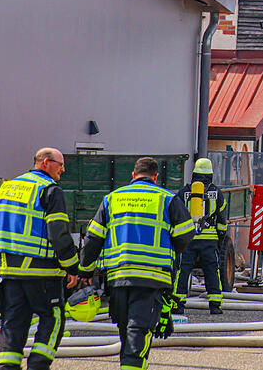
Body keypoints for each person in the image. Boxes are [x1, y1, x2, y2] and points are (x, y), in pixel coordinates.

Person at [0, 148, 89, 370]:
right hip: (42, 273)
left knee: (13, 322)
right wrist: (73, 267)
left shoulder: (7, 188)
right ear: (46, 162)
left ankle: (7, 367)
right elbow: (58, 233)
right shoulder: (50, 190)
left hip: (10, 273)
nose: (63, 169)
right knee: (53, 318)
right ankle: (38, 365)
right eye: (60, 164)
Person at [80, 157, 194, 370]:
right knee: (138, 331)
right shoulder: (167, 199)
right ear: (155, 177)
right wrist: (169, 250)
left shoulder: (112, 198)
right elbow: (186, 234)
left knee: (126, 332)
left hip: (118, 277)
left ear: (133, 175)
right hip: (152, 277)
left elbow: (93, 238)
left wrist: (84, 271)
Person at [173, 157, 228, 315]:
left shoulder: (184, 192)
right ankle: (215, 305)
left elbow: (176, 215)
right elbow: (222, 220)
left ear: (194, 173)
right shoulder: (217, 193)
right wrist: (220, 238)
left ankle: (178, 304)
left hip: (188, 240)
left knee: (182, 271)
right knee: (212, 271)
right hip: (209, 241)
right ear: (210, 174)